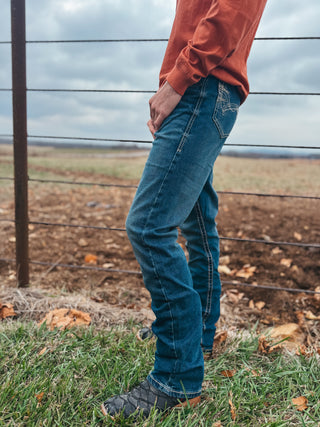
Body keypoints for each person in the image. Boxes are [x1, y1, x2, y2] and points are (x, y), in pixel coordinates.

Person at [101, 0, 267, 419]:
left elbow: (232, 10)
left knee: (149, 226)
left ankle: (177, 376)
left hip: (201, 86)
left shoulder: (193, 79)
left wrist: (177, 81)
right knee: (196, 219)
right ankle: (199, 335)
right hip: (203, 87)